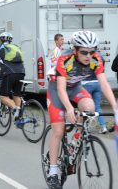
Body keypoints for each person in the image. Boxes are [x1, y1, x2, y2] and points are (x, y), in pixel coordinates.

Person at [46, 30, 118, 189]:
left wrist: (115, 106)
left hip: (76, 87)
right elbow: (61, 89)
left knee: (90, 107)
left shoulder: (96, 60)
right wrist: (69, 108)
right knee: (58, 131)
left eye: (92, 51)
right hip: (57, 89)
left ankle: (75, 140)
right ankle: (52, 171)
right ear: (75, 50)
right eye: (84, 52)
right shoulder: (64, 59)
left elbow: (104, 84)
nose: (88, 55)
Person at [0, 32, 25, 124]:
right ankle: (19, 119)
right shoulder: (16, 47)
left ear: (0, 40)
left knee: (3, 97)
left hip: (9, 74)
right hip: (21, 72)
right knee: (16, 95)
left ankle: (15, 109)